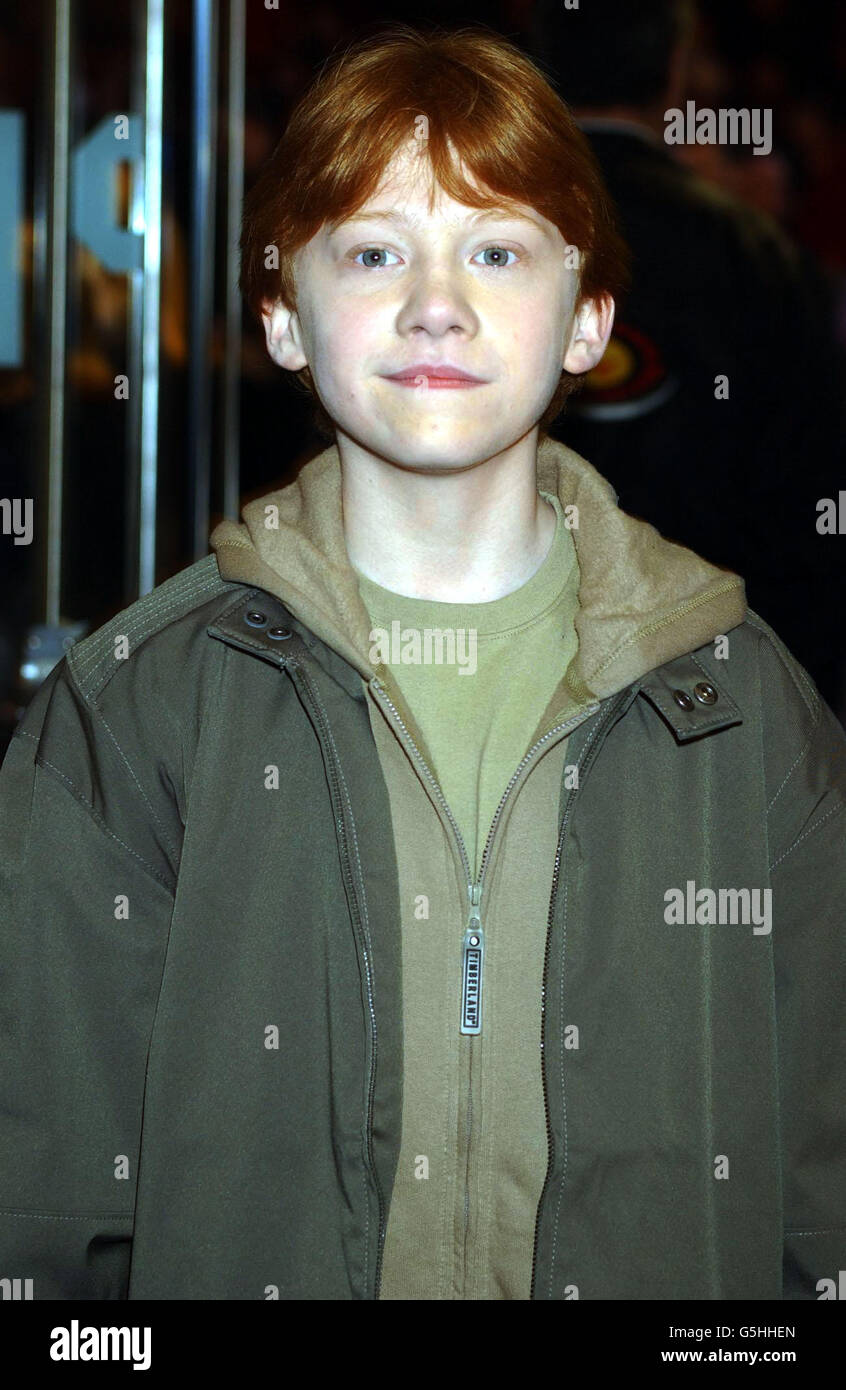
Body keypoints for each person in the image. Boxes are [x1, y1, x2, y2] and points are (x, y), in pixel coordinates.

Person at [1, 23, 844, 1301]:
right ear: (284, 316)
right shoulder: (136, 715)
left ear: (587, 321)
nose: (436, 302)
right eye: (376, 251)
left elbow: (817, 1195)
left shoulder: (741, 709)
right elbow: (50, 1221)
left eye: (497, 251)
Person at [529, 0, 846, 720]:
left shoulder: (475, 231)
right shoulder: (755, 255)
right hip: (713, 691)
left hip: (506, 695)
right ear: (677, 69)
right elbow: (812, 514)